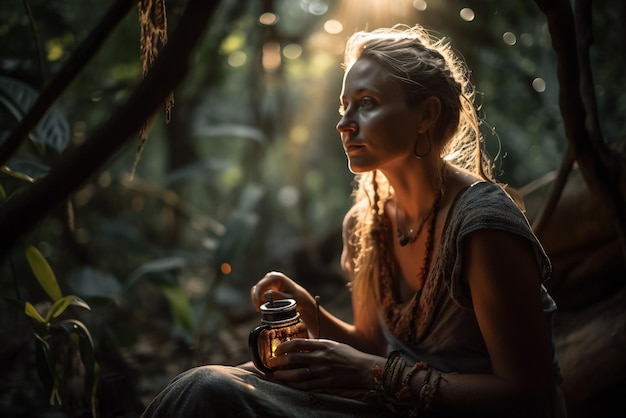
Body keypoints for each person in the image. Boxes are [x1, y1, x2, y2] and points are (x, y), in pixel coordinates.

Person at [141, 23, 566, 417]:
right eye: (344, 106)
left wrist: (373, 374)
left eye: (367, 104)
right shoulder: (366, 223)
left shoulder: (482, 228)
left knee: (210, 392)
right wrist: (312, 313)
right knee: (201, 386)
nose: (344, 124)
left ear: (427, 114)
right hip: (388, 404)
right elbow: (375, 347)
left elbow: (529, 395)